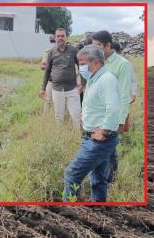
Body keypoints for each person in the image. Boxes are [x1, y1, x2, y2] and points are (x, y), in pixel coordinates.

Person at [64, 45, 120, 202]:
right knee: (98, 178)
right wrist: (85, 116)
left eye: (82, 63)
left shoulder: (106, 80)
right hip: (92, 137)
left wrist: (104, 132)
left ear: (95, 62)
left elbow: (113, 108)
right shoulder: (94, 79)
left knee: (71, 174)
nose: (80, 67)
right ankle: (98, 206)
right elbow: (97, 104)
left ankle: (69, 211)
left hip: (99, 141)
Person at [92, 31, 133, 183]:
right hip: (97, 114)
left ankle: (110, 180)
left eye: (98, 46)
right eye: (93, 46)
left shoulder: (122, 64)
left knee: (109, 147)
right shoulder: (97, 62)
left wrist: (121, 120)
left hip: (113, 115)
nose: (95, 50)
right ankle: (105, 177)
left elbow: (124, 95)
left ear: (108, 45)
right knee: (104, 147)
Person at [39, 28, 82, 127]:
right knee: (59, 116)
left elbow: (81, 66)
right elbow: (47, 71)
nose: (60, 38)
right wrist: (43, 88)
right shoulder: (51, 52)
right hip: (57, 89)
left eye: (62, 36)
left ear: (66, 37)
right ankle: (60, 135)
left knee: (76, 115)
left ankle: (77, 137)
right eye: (58, 36)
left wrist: (82, 83)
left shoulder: (73, 51)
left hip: (72, 89)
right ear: (55, 38)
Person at [40, 35, 55, 114]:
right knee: (48, 101)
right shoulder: (48, 51)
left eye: (53, 41)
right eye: (51, 41)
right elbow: (42, 66)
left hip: (62, 82)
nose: (53, 43)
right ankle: (45, 118)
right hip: (51, 80)